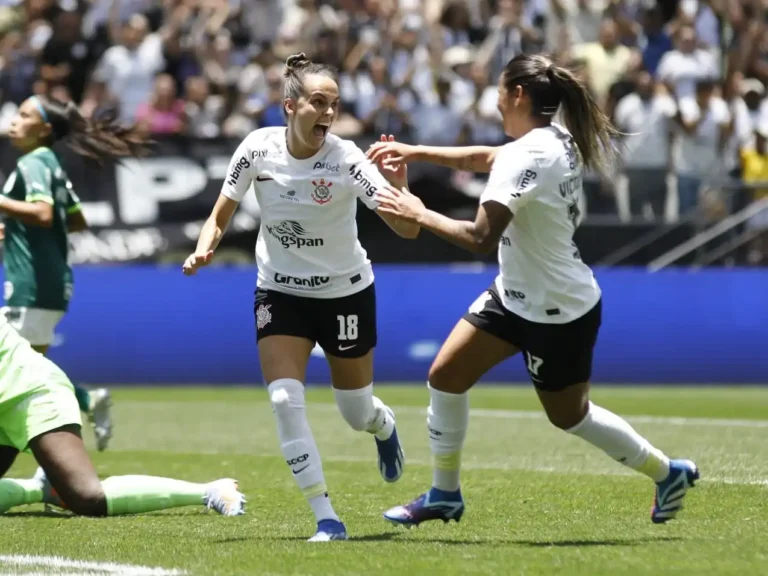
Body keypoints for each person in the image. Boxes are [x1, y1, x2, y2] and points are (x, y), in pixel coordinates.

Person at [367, 53, 698, 528]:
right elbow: (485, 158)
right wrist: (416, 152)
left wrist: (418, 212)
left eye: (500, 91)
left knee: (570, 416)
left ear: (518, 94)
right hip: (514, 295)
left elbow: (480, 238)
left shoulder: (529, 154)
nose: (495, 102)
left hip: (557, 309)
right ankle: (444, 494)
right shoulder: (551, 138)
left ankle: (667, 473)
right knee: (445, 376)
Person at [183, 53, 419, 542]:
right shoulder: (257, 149)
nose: (329, 113)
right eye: (318, 102)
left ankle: (381, 423)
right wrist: (205, 248)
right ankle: (326, 517)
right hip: (279, 290)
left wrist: (400, 186)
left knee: (355, 411)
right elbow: (220, 214)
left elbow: (408, 230)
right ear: (289, 106)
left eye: (334, 104)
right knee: (284, 398)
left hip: (345, 294)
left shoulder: (347, 159)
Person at [0, 310, 246, 517]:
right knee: (75, 493)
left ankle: (210, 491)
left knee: (87, 497)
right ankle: (40, 489)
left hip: (33, 391)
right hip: (4, 403)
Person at [1, 95, 123, 451]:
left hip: (32, 283)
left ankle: (71, 424)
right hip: (50, 282)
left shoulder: (33, 163)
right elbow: (75, 219)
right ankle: (85, 401)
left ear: (44, 130)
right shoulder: (51, 162)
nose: (14, 120)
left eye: (24, 115)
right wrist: (16, 229)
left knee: (21, 375)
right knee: (31, 370)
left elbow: (42, 212)